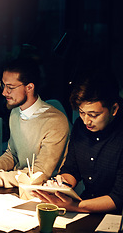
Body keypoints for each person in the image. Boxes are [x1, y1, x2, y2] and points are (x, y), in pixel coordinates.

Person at [0, 58, 70, 187]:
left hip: (45, 193)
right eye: (3, 85)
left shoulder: (55, 122)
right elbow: (12, 155)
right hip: (19, 187)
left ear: (29, 87)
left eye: (10, 87)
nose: (4, 92)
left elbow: (40, 173)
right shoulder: (15, 112)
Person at [32, 74, 123, 213]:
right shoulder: (81, 127)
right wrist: (59, 186)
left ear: (114, 109)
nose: (86, 121)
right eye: (81, 112)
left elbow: (118, 198)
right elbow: (71, 169)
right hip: (84, 208)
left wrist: (73, 206)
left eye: (93, 115)